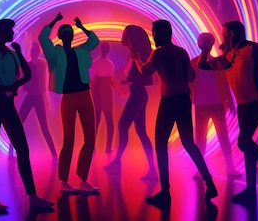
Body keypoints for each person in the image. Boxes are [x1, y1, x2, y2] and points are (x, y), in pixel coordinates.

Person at [132, 20, 218, 206]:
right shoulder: (182, 52)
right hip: (184, 99)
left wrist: (137, 59)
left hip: (169, 101)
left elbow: (145, 71)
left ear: (162, 33)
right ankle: (210, 182)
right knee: (189, 143)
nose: (153, 36)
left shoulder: (159, 52)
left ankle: (165, 192)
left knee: (161, 144)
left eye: (154, 32)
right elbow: (191, 76)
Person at [198, 20, 258, 204]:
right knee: (246, 146)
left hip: (256, 103)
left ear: (232, 34)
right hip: (242, 105)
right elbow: (203, 65)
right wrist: (206, 49)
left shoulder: (254, 49)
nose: (223, 37)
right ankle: (251, 191)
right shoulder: (229, 56)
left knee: (244, 142)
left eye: (225, 33)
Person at [0, 19, 53, 210]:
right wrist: (1, 87)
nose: (13, 32)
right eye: (10, 30)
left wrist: (19, 59)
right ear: (0, 33)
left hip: (7, 104)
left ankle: (32, 197)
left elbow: (27, 74)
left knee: (23, 149)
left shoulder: (13, 54)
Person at [39, 12, 100, 193]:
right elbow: (42, 37)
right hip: (69, 98)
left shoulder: (80, 51)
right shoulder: (54, 54)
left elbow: (94, 41)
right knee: (69, 139)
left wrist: (82, 27)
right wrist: (55, 21)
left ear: (73, 36)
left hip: (85, 95)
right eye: (65, 32)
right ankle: (64, 182)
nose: (68, 34)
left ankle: (83, 179)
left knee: (90, 138)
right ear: (60, 36)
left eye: (70, 32)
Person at [104, 25, 157, 180]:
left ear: (131, 37)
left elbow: (145, 74)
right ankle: (152, 170)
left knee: (123, 125)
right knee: (141, 131)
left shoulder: (137, 55)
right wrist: (127, 81)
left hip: (138, 94)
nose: (122, 37)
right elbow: (136, 75)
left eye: (125, 34)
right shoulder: (131, 55)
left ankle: (117, 163)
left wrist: (136, 66)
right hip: (137, 92)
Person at [190, 33, 240, 178]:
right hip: (200, 105)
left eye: (207, 42)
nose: (205, 44)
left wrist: (230, 102)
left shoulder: (218, 63)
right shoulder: (193, 63)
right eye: (203, 42)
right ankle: (200, 169)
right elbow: (189, 84)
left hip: (217, 104)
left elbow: (225, 83)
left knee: (222, 136)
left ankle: (230, 167)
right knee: (200, 138)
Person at [18, 42, 57, 162]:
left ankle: (54, 154)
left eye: (36, 51)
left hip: (38, 96)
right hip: (32, 96)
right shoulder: (30, 65)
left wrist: (47, 99)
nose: (35, 53)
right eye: (34, 51)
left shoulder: (42, 64)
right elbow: (23, 81)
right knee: (18, 123)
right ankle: (12, 151)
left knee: (43, 126)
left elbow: (44, 83)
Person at [91, 42, 119, 154]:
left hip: (100, 92)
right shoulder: (110, 64)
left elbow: (93, 80)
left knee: (98, 120)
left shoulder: (96, 63)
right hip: (105, 93)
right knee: (107, 120)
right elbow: (111, 80)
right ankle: (106, 148)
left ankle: (93, 147)